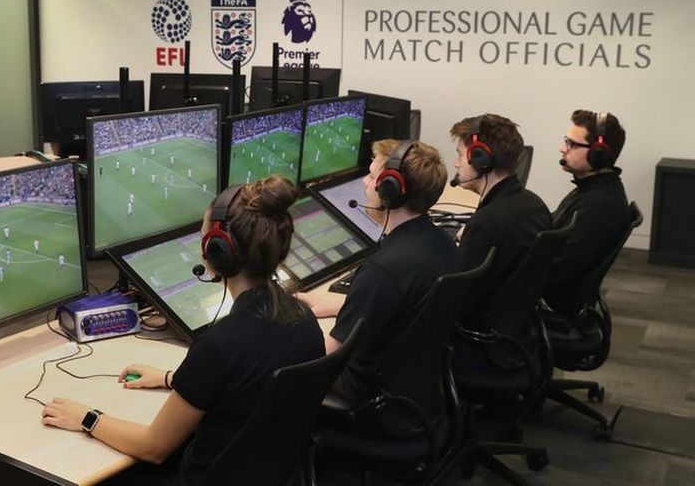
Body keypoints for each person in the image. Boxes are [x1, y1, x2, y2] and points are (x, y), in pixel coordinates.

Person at [41, 176, 324, 485]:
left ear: (219, 251)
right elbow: (244, 383)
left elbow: (153, 448)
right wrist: (170, 378)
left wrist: (87, 417)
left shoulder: (219, 344)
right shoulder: (304, 319)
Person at [298, 139, 456, 406]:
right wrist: (340, 306)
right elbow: (401, 308)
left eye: (372, 177)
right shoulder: (443, 244)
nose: (364, 182)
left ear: (391, 190)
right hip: (414, 390)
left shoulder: (383, 270)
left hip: (367, 394)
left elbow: (327, 356)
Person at [449, 114, 552, 332]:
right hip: (515, 330)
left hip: (480, 335)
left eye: (459, 154)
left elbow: (454, 302)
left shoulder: (488, 223)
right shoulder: (536, 205)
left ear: (480, 159)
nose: (456, 163)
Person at [542, 110, 629, 315]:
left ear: (598, 154)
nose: (562, 149)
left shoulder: (598, 207)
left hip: (552, 304)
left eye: (572, 144)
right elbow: (552, 227)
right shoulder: (592, 189)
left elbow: (556, 275)